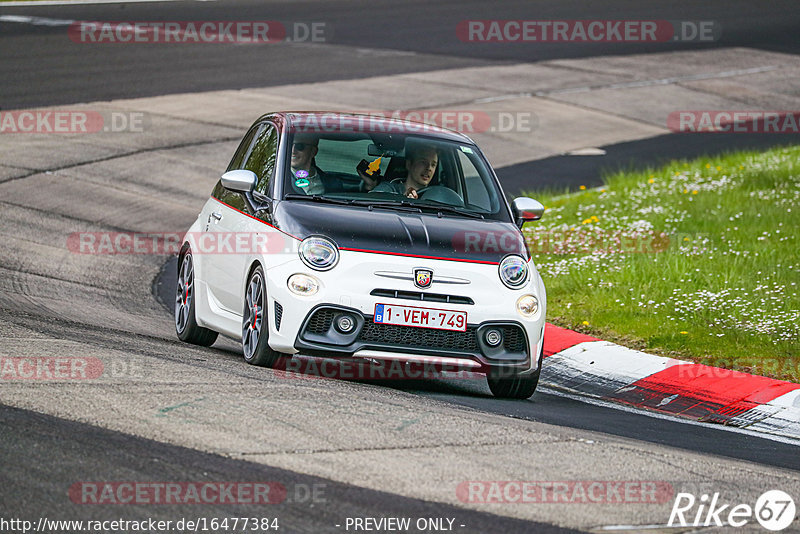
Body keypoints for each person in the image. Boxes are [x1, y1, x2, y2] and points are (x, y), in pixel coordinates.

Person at [358, 141, 438, 199]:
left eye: (433, 165)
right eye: (423, 162)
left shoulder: (438, 196)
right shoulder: (388, 189)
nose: (429, 168)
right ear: (409, 164)